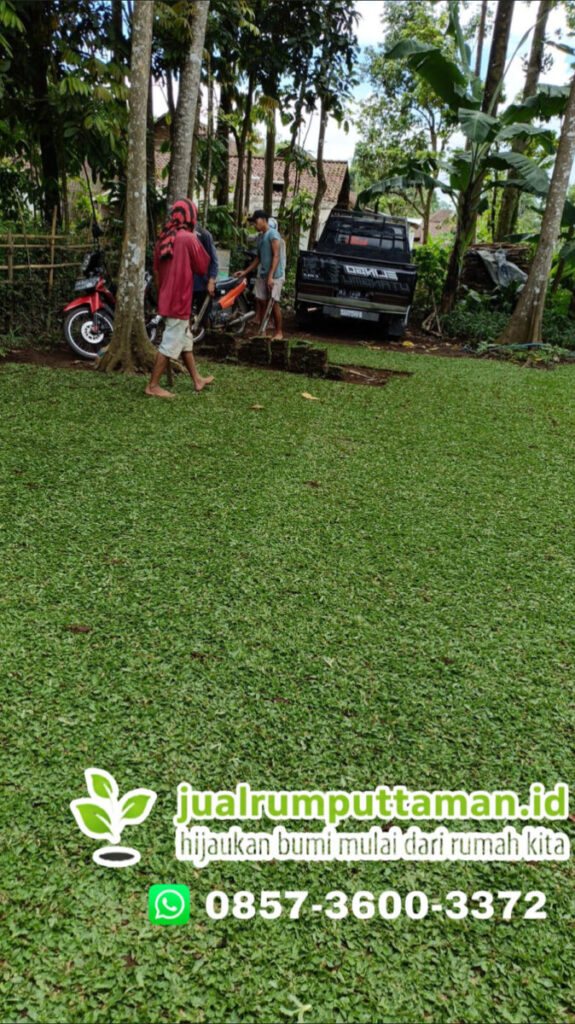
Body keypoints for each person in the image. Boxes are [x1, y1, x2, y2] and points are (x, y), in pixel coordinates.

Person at [146, 198, 215, 399]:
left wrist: (162, 296)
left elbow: (157, 272)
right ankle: (153, 385)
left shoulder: (162, 239)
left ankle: (197, 380)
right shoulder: (187, 238)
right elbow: (202, 267)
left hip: (167, 297)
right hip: (180, 298)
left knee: (184, 340)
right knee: (170, 343)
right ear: (191, 216)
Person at [234, 210, 285, 340]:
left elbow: (276, 256)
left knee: (273, 304)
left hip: (274, 276)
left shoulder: (274, 235)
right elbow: (259, 258)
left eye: (256, 222)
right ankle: (262, 331)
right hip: (263, 275)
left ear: (263, 220)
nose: (255, 225)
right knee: (262, 302)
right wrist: (245, 271)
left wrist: (271, 276)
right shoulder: (262, 237)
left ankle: (279, 332)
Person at [193, 223, 219, 311]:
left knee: (204, 316)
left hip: (202, 283)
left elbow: (214, 260)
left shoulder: (203, 234)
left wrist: (211, 281)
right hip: (187, 286)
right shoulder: (180, 234)